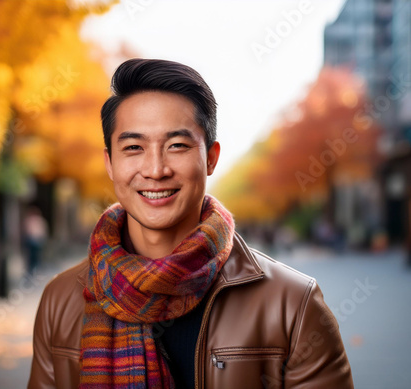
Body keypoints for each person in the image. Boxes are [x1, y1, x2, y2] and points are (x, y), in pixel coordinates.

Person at [28, 59, 353, 389]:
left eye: (177, 146)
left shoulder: (291, 304)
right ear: (110, 163)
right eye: (134, 147)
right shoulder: (61, 301)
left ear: (211, 158)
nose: (155, 169)